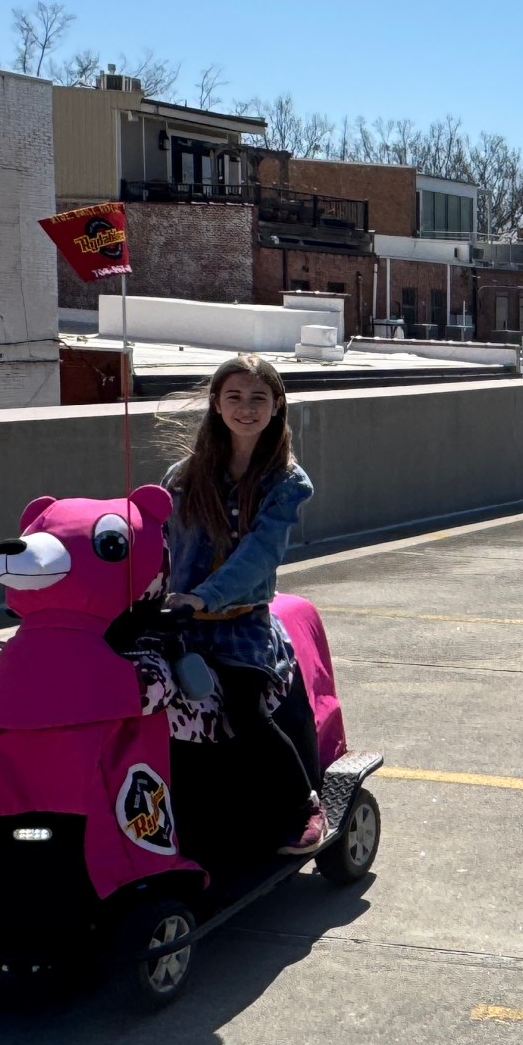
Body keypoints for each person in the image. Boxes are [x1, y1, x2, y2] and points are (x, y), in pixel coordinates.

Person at [162, 354, 323, 853]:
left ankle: (304, 804)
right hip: (177, 620)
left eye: (258, 398)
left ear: (277, 406)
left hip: (238, 622)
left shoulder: (285, 482)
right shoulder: (183, 475)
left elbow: (257, 557)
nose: (246, 408)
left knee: (244, 709)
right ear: (215, 403)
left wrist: (202, 598)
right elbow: (157, 541)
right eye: (234, 396)